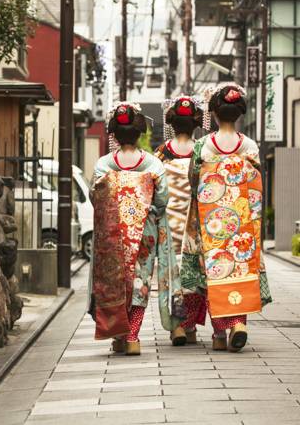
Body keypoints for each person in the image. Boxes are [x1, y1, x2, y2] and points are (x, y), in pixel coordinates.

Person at [88, 102, 184, 355]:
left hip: (112, 231)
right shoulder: (153, 164)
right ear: (139, 132)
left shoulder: (103, 165)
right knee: (140, 280)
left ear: (114, 135)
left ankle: (118, 334)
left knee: (114, 282)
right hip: (145, 229)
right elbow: (162, 200)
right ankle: (132, 336)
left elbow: (95, 197)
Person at [188, 83, 272, 352]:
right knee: (240, 266)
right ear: (239, 113)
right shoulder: (248, 145)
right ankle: (239, 323)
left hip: (210, 217)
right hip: (242, 217)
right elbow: (257, 185)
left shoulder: (203, 145)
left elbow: (194, 180)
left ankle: (219, 334)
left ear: (213, 113)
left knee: (215, 270)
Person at [155, 95, 207, 346]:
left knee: (171, 271)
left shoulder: (161, 153)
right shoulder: (202, 150)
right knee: (194, 272)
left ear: (172, 124)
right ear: (196, 123)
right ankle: (190, 327)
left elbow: (154, 189)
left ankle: (177, 326)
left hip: (169, 220)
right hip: (195, 220)